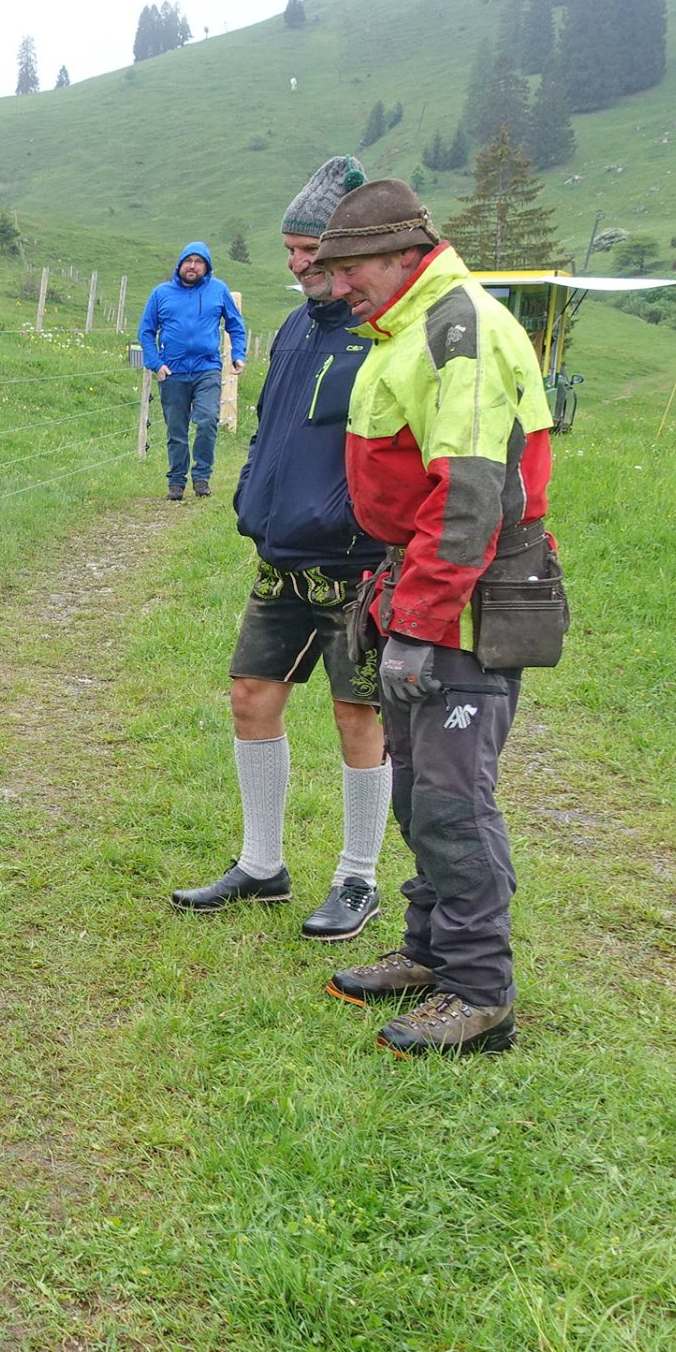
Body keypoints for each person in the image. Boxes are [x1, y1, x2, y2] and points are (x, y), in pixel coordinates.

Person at [311, 178, 562, 1057]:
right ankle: (429, 952)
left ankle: (481, 993)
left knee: (454, 802)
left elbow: (468, 495)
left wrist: (418, 625)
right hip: (419, 583)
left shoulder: (463, 330)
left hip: (468, 598)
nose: (339, 285)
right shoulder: (408, 327)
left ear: (404, 254)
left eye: (352, 267)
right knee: (418, 792)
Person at [171, 157, 390, 941]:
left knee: (357, 712)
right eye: (290, 250)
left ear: (349, 250)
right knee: (250, 697)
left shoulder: (382, 334)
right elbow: (272, 424)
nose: (296, 264)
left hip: (356, 568)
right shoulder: (297, 327)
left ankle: (359, 879)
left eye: (309, 250)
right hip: (281, 558)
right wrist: (250, 493)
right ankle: (262, 865)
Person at [137, 241, 247, 501]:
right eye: (188, 261)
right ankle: (176, 482)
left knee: (207, 420)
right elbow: (146, 331)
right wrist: (156, 364)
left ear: (207, 267)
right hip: (172, 372)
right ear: (180, 265)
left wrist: (238, 354)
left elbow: (235, 325)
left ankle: (202, 476)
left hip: (207, 369)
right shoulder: (161, 293)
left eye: (199, 262)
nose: (193, 266)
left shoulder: (218, 290)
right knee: (176, 430)